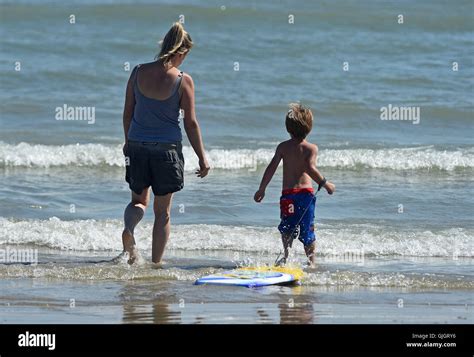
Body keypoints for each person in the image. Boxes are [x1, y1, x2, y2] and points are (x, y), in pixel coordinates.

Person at [120, 22, 210, 265]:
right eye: (186, 55)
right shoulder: (183, 80)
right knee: (162, 214)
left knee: (138, 202)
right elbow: (190, 123)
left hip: (137, 145)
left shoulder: (138, 72)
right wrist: (202, 157)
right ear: (181, 52)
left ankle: (129, 229)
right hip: (166, 151)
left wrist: (129, 143)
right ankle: (156, 264)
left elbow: (128, 113)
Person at [254, 103, 335, 267]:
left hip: (288, 195)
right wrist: (325, 184)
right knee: (308, 230)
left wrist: (262, 188)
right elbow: (310, 168)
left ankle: (286, 256)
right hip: (305, 195)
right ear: (310, 128)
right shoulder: (311, 148)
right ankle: (311, 263)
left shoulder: (283, 147)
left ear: (288, 128)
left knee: (287, 228)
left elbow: (271, 168)